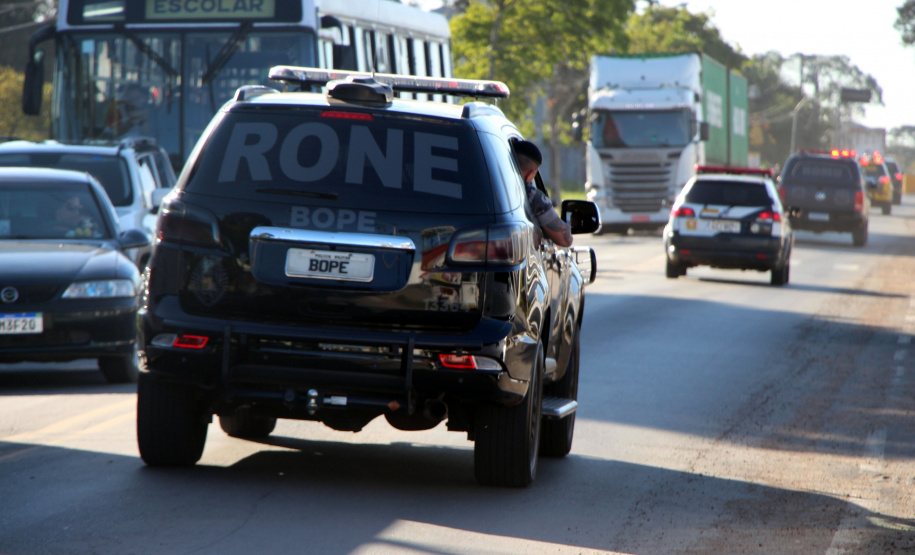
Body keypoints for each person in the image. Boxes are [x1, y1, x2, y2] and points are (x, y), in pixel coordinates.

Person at [514, 140, 573, 247]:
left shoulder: (491, 185)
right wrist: (570, 223)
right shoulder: (531, 195)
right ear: (530, 174)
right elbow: (565, 240)